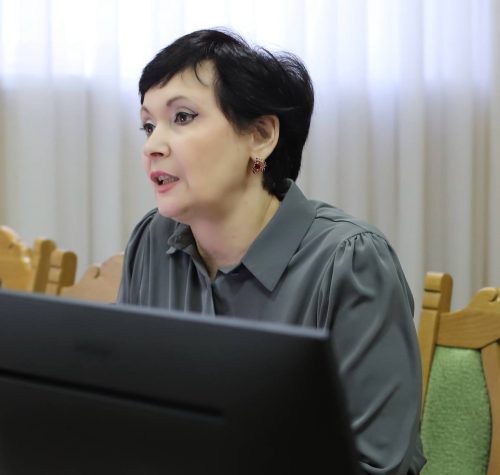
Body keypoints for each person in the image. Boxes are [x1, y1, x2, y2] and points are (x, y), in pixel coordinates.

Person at [118, 28, 426, 475]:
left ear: (260, 135)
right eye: (148, 125)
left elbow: (377, 465)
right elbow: (128, 417)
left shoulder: (350, 261)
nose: (151, 146)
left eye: (182, 117)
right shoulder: (153, 240)